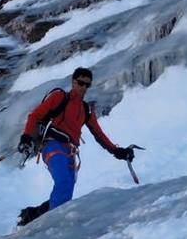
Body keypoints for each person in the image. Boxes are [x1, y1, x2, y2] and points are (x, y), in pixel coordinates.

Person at [16, 67, 134, 226]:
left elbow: (99, 134)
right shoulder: (59, 97)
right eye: (81, 83)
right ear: (73, 82)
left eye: (87, 85)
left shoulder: (86, 110)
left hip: (70, 151)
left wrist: (117, 151)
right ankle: (52, 225)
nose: (84, 88)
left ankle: (34, 216)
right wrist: (26, 136)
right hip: (52, 145)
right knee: (64, 182)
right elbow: (35, 115)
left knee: (66, 191)